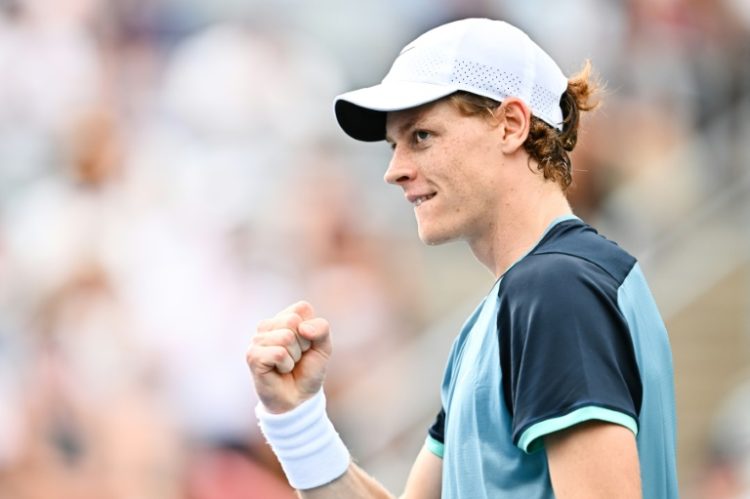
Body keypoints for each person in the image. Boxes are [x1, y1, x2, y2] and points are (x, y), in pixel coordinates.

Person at [246, 18, 678, 498]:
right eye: (395, 145)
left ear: (511, 126)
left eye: (422, 136)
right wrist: (297, 420)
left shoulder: (554, 290)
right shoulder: (516, 304)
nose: (394, 171)